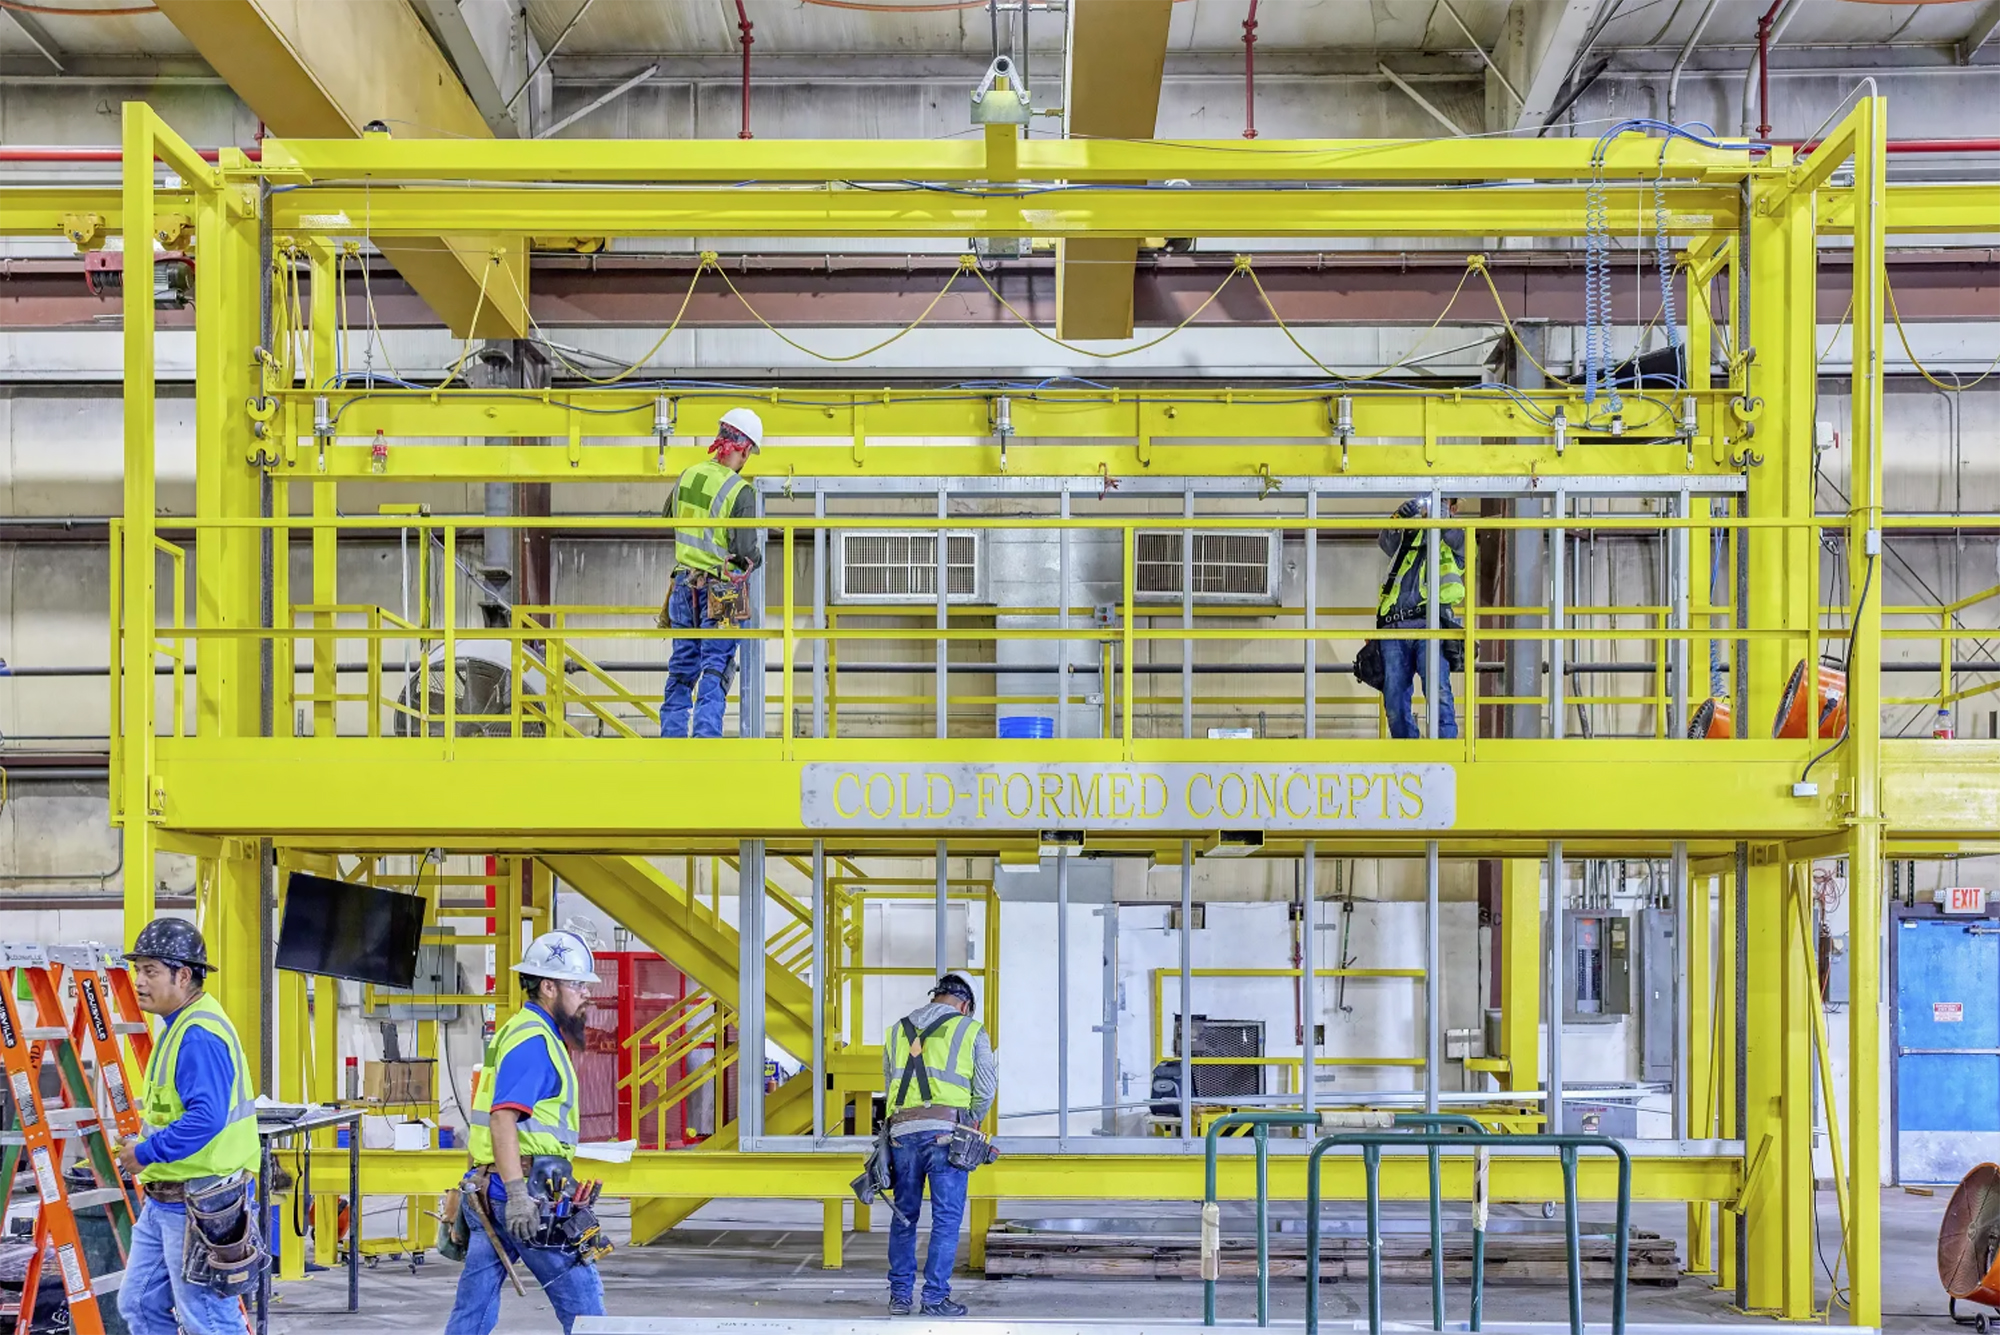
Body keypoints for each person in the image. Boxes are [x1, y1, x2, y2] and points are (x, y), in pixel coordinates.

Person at [444, 931, 606, 1335]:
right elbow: (501, 1119)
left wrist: (465, 1184)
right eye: (578, 984)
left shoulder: (520, 1031)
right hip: (525, 1197)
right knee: (584, 1304)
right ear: (548, 986)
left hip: (488, 1188)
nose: (586, 994)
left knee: (473, 1310)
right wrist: (517, 1197)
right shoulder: (535, 1041)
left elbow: (483, 1119)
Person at [115, 918, 260, 1335]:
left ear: (183, 975)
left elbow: (205, 1119)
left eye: (151, 971)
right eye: (137, 970)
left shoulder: (198, 1034)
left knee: (209, 1321)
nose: (139, 981)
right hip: (166, 1200)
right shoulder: (179, 1025)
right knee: (140, 1304)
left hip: (200, 1201)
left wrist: (144, 1152)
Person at [881, 974, 998, 1318]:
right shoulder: (970, 1029)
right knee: (946, 1219)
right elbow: (986, 1088)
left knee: (904, 1216)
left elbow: (890, 1086)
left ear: (937, 997)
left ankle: (900, 1298)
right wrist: (970, 1121)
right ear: (965, 1005)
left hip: (902, 1133)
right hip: (947, 1134)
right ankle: (934, 1298)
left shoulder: (897, 1030)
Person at [660, 406, 765, 738]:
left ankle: (672, 737)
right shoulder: (740, 491)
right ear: (744, 449)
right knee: (715, 665)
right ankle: (706, 739)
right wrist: (758, 556)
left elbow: (667, 518)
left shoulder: (688, 475)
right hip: (723, 591)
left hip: (682, 586)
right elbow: (746, 553)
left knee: (682, 666)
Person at [1375, 495, 1466, 739]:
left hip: (1432, 626)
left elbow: (1457, 539)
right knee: (1394, 701)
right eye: (1430, 500)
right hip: (1395, 627)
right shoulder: (1410, 536)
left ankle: (1446, 754)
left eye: (1443, 501)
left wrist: (1442, 516)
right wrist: (1398, 517)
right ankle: (1408, 755)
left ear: (1453, 508)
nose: (1432, 506)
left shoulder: (1457, 536)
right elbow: (1385, 543)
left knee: (1438, 693)